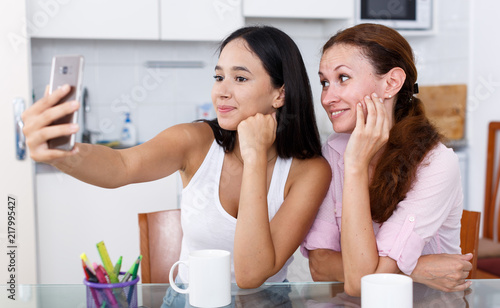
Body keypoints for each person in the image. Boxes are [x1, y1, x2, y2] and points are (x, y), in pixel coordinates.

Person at [22, 25, 331, 290]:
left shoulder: (310, 171)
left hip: (266, 303)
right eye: (218, 76)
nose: (221, 91)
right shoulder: (194, 141)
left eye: (240, 79)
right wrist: (62, 153)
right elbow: (121, 166)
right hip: (189, 300)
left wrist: (254, 156)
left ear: (280, 94)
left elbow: (252, 274)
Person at [300, 23, 472, 296]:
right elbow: (320, 267)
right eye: (324, 82)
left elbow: (359, 282)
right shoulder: (333, 151)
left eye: (343, 78)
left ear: (391, 82)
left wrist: (354, 166)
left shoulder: (436, 163)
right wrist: (416, 269)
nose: (327, 97)